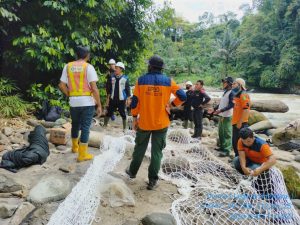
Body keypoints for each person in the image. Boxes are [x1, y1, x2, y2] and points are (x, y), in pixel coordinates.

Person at [126, 55, 186, 190]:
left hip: (145, 123)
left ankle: (132, 172)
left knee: (139, 149)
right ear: (161, 68)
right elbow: (183, 96)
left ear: (150, 66)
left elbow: (135, 102)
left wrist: (135, 118)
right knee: (157, 153)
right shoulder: (169, 81)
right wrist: (171, 105)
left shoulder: (140, 81)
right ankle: (152, 180)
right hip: (161, 123)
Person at [58, 46, 102, 162]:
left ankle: (74, 148)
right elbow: (94, 88)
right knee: (86, 128)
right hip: (87, 101)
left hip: (73, 102)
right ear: (87, 55)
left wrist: (70, 94)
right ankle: (82, 155)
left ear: (76, 55)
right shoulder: (88, 67)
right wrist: (99, 105)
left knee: (75, 124)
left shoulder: (68, 66)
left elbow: (61, 85)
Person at [104, 62, 130, 131]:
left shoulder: (125, 78)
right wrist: (108, 99)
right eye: (115, 68)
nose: (115, 69)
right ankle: (104, 125)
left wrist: (128, 99)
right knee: (109, 112)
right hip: (113, 99)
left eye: (117, 68)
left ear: (121, 69)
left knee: (123, 113)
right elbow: (109, 89)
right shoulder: (112, 78)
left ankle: (124, 128)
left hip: (121, 100)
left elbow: (128, 89)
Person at [213, 77, 235, 157]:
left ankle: (227, 150)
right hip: (222, 115)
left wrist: (221, 110)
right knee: (221, 132)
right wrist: (214, 109)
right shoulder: (226, 92)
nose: (223, 83)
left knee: (227, 133)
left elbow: (232, 105)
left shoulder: (232, 93)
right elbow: (222, 103)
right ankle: (222, 147)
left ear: (229, 83)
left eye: (225, 82)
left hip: (227, 116)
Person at [232, 78, 250, 156]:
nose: (232, 85)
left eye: (234, 83)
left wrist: (240, 122)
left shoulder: (244, 95)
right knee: (235, 142)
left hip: (241, 124)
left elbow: (246, 110)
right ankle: (237, 158)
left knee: (240, 143)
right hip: (236, 122)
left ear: (240, 85)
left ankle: (240, 160)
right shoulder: (237, 95)